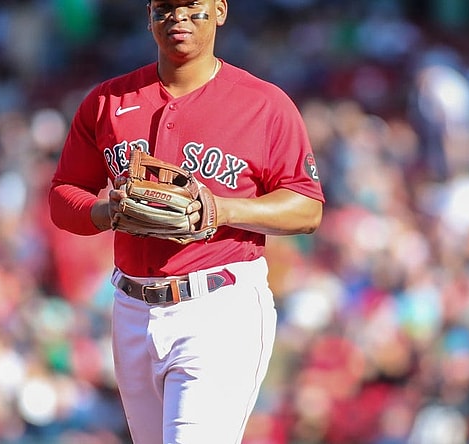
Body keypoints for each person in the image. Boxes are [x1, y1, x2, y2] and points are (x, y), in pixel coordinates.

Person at [48, 0, 324, 442]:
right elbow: (63, 196)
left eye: (190, 6)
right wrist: (105, 211)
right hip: (133, 308)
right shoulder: (107, 100)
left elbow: (307, 209)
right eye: (164, 8)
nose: (176, 17)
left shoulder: (264, 104)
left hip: (219, 304)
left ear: (219, 10)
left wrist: (223, 208)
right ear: (149, 15)